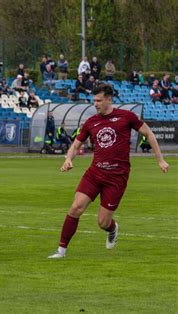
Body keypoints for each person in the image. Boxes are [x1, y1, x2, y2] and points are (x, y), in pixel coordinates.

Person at [48, 84, 168, 259]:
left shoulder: (126, 117)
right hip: (95, 173)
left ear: (109, 99)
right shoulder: (91, 122)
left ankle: (112, 229)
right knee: (76, 207)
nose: (95, 104)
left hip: (116, 178)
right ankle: (61, 251)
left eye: (98, 100)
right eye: (93, 100)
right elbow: (76, 145)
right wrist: (68, 159)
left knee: (102, 222)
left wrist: (160, 160)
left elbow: (149, 134)